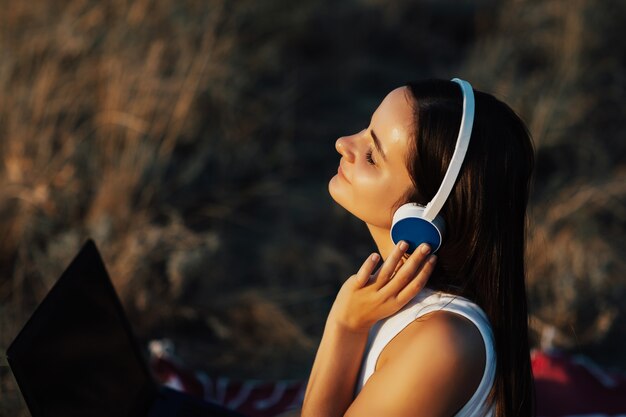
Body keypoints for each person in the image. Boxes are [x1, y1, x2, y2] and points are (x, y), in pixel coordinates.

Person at [283, 78, 535, 417]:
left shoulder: (443, 343)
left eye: (372, 156)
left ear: (423, 214)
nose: (343, 143)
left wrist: (345, 326)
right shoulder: (392, 299)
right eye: (366, 127)